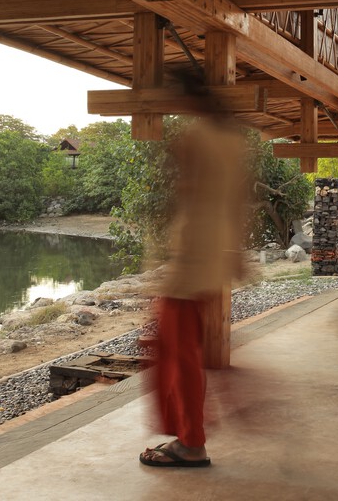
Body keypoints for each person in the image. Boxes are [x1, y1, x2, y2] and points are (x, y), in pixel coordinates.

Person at [139, 74, 247, 468]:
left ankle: (191, 443)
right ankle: (189, 435)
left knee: (177, 354)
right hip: (212, 256)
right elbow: (236, 201)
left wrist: (166, 260)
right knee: (182, 351)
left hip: (191, 257)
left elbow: (186, 195)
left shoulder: (195, 138)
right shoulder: (233, 142)